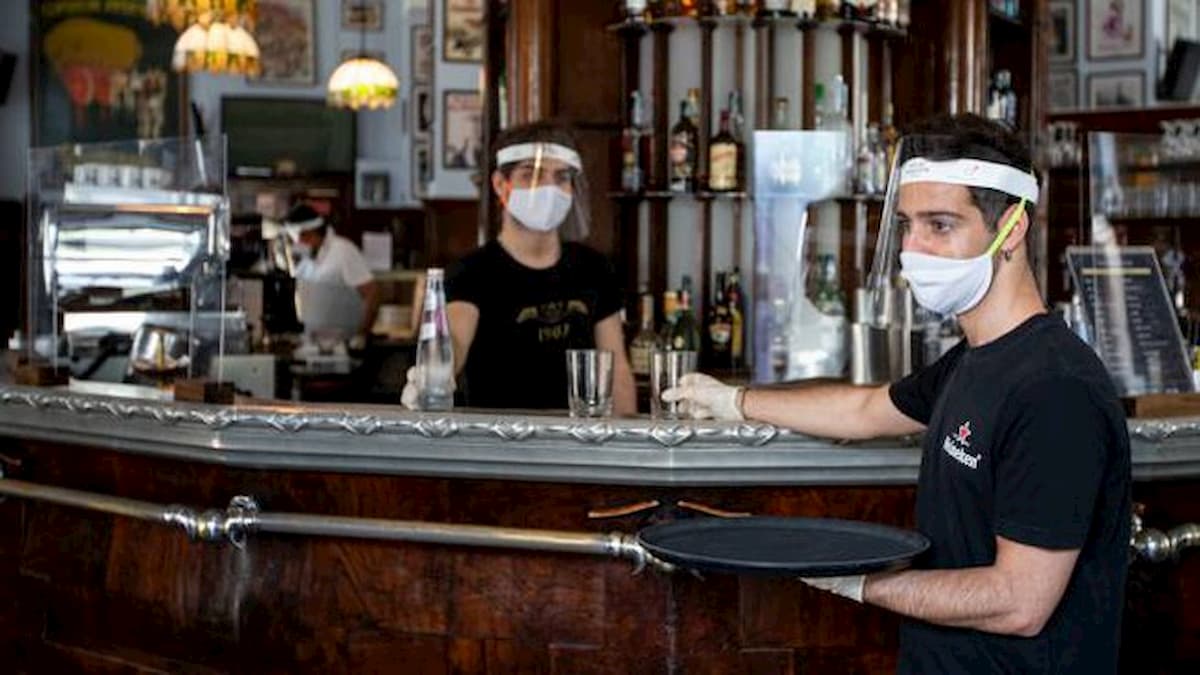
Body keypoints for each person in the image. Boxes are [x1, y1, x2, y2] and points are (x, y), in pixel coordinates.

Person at [665, 114, 1131, 674]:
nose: (914, 249)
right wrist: (735, 401)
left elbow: (1019, 604)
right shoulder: (976, 358)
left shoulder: (1055, 391)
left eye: (940, 225)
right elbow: (866, 409)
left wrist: (865, 584)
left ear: (1012, 229)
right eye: (907, 225)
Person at [403, 120, 636, 414]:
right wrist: (434, 375)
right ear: (500, 184)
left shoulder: (594, 268)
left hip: (578, 438)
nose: (548, 188)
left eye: (561, 177)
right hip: (497, 439)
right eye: (531, 175)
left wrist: (629, 434)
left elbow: (617, 370)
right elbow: (454, 345)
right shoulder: (471, 273)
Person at [284, 203, 379, 343]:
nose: (296, 244)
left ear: (309, 233)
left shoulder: (343, 251)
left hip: (344, 342)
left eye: (297, 239)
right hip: (312, 341)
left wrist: (361, 335)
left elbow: (372, 294)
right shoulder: (306, 261)